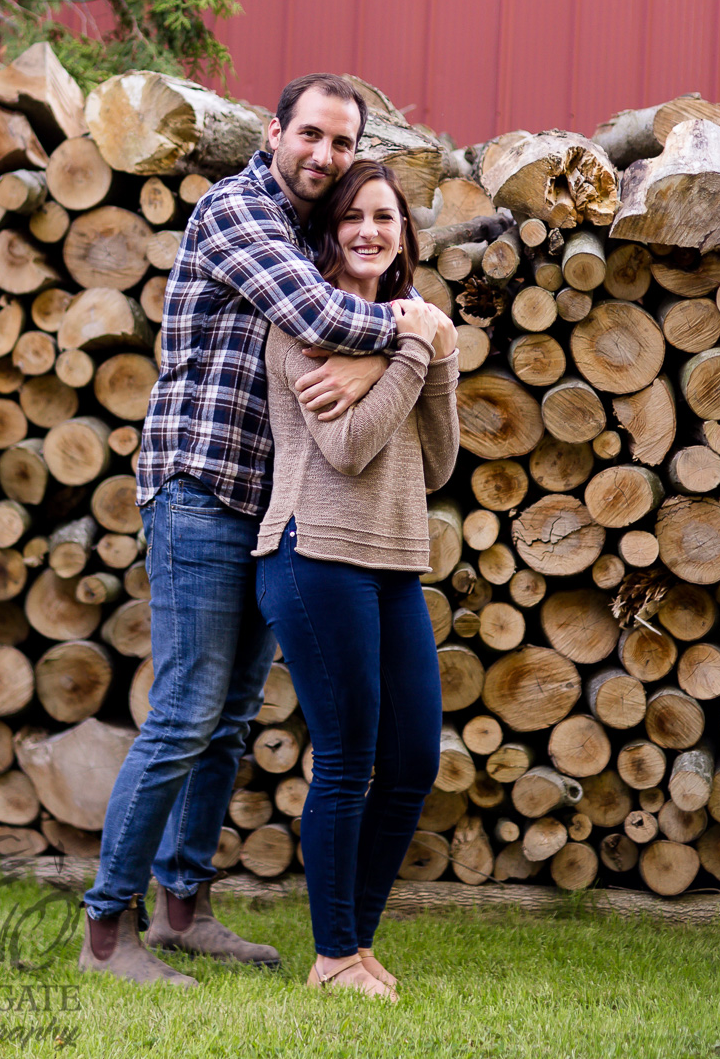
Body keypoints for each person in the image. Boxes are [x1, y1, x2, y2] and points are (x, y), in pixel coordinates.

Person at [80, 74, 426, 985]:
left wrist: (367, 360)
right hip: (197, 483)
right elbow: (319, 317)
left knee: (230, 719)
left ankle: (183, 908)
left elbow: (336, 346)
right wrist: (414, 323)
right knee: (188, 706)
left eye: (343, 143)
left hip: (270, 505)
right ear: (273, 132)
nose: (325, 155)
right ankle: (106, 931)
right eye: (311, 134)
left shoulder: (316, 231)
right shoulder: (240, 210)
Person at [254, 159, 460, 1000]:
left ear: (404, 232)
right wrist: (417, 346)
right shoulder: (304, 324)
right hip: (315, 554)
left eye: (387, 216)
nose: (372, 230)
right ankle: (333, 954)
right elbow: (347, 448)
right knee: (347, 759)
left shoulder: (402, 330)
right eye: (354, 217)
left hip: (393, 561)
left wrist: (434, 363)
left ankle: (356, 942)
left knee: (412, 757)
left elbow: (438, 462)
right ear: (330, 231)